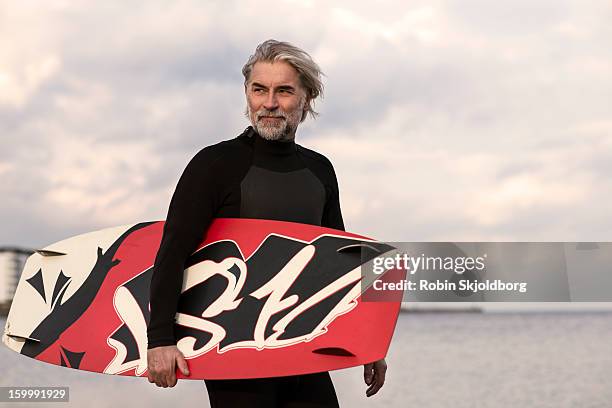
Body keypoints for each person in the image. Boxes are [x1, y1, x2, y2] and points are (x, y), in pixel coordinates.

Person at [146, 39, 387, 407]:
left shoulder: (319, 171)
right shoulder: (215, 166)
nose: (269, 103)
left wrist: (367, 341)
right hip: (235, 350)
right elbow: (172, 252)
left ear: (307, 98)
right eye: (259, 90)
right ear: (247, 93)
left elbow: (339, 263)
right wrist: (160, 339)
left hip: (303, 347)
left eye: (284, 91)